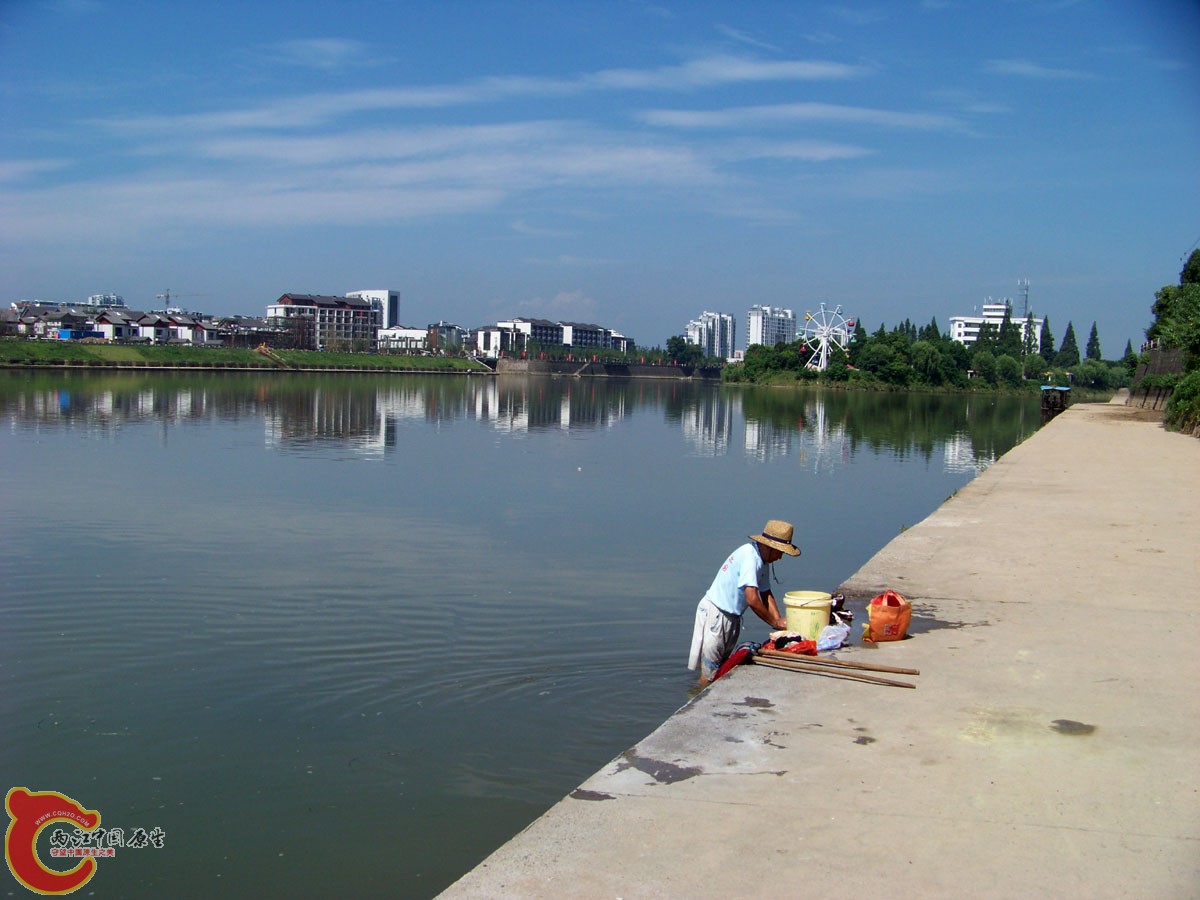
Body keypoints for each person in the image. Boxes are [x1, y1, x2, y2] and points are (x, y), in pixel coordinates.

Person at [688, 519, 801, 684]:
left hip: (732, 617)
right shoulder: (750, 558)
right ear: (771, 547)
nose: (780, 557)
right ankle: (697, 696)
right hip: (717, 614)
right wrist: (774, 622)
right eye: (780, 552)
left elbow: (766, 593)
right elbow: (752, 599)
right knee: (709, 673)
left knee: (722, 668)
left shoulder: (763, 561)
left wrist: (778, 621)